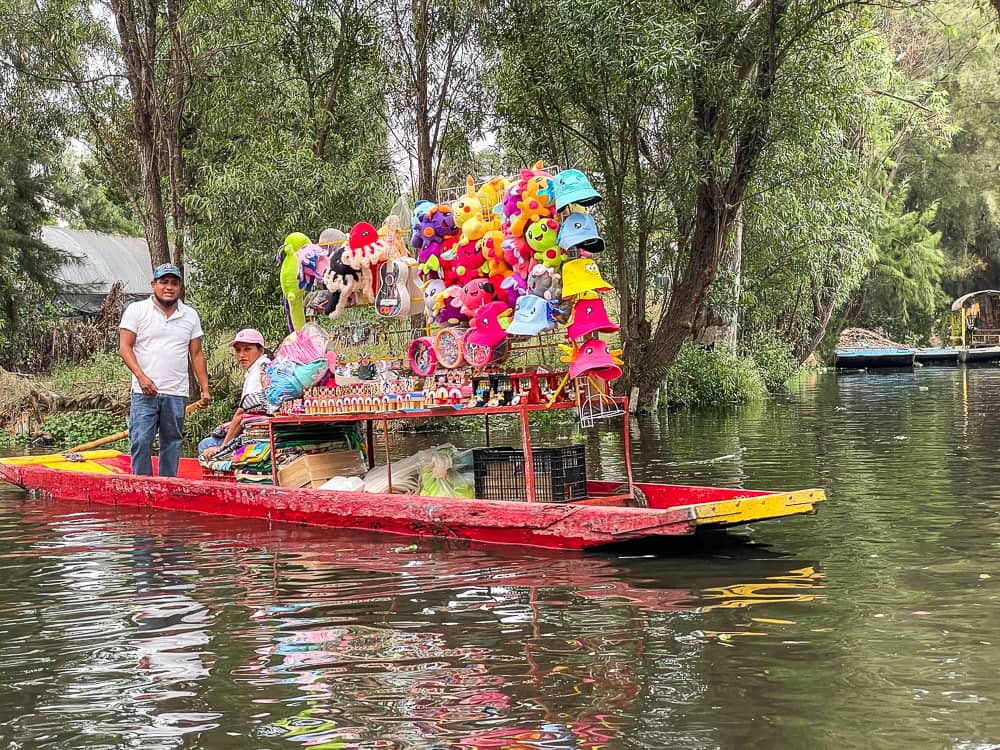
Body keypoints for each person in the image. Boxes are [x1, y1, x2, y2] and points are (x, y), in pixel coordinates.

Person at [119, 263, 211, 477]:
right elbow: (125, 348)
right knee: (141, 440)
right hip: (144, 392)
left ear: (180, 286)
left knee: (172, 443)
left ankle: (167, 487)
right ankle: (142, 485)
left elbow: (196, 353)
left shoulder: (190, 315)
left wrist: (204, 388)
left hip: (176, 392)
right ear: (154, 285)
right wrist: (141, 377)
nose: (169, 287)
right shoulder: (137, 310)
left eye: (174, 282)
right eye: (163, 282)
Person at [199, 329, 271, 459]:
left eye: (247, 349)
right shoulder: (262, 367)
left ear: (261, 351)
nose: (241, 355)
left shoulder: (259, 372)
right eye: (238, 350)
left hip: (258, 434)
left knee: (205, 445)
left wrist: (223, 448)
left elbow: (242, 413)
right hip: (259, 428)